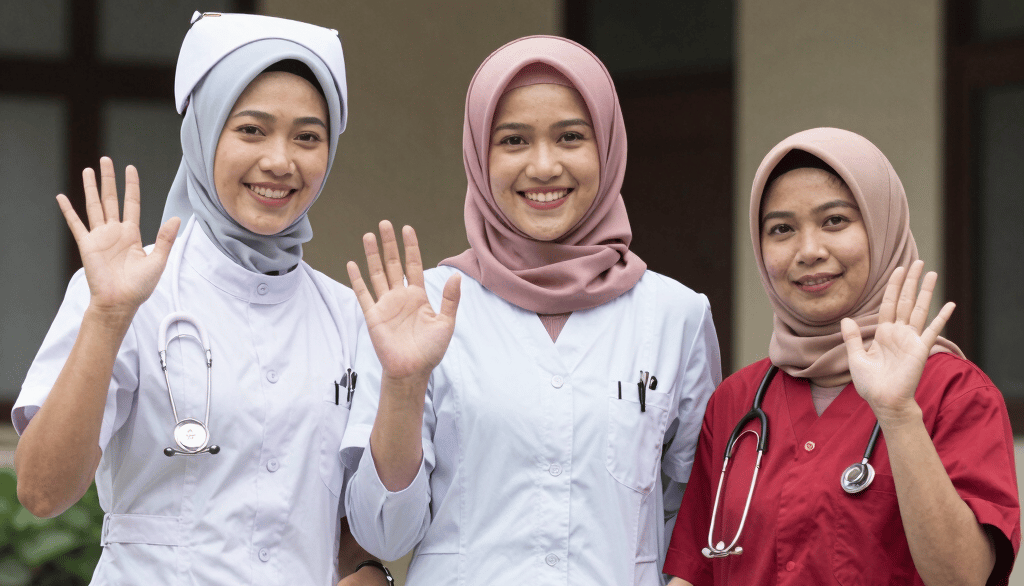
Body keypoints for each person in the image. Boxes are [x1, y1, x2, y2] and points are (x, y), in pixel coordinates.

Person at [12, 12, 391, 586]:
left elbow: (343, 516)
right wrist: (109, 318)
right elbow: (41, 492)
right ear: (205, 132)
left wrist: (366, 570)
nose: (280, 161)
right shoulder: (128, 290)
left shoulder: (348, 317)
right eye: (251, 130)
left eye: (308, 137)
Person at [340, 35, 722, 585]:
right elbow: (384, 536)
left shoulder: (674, 315)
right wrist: (403, 383)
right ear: (478, 153)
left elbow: (697, 517)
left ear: (609, 147)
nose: (543, 166)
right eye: (513, 140)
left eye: (571, 137)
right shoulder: (419, 308)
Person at [664, 127, 1020, 585]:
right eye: (782, 229)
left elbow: (965, 579)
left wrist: (898, 415)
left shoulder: (955, 394)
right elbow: (696, 573)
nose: (809, 251)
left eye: (835, 221)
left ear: (882, 227)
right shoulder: (737, 401)